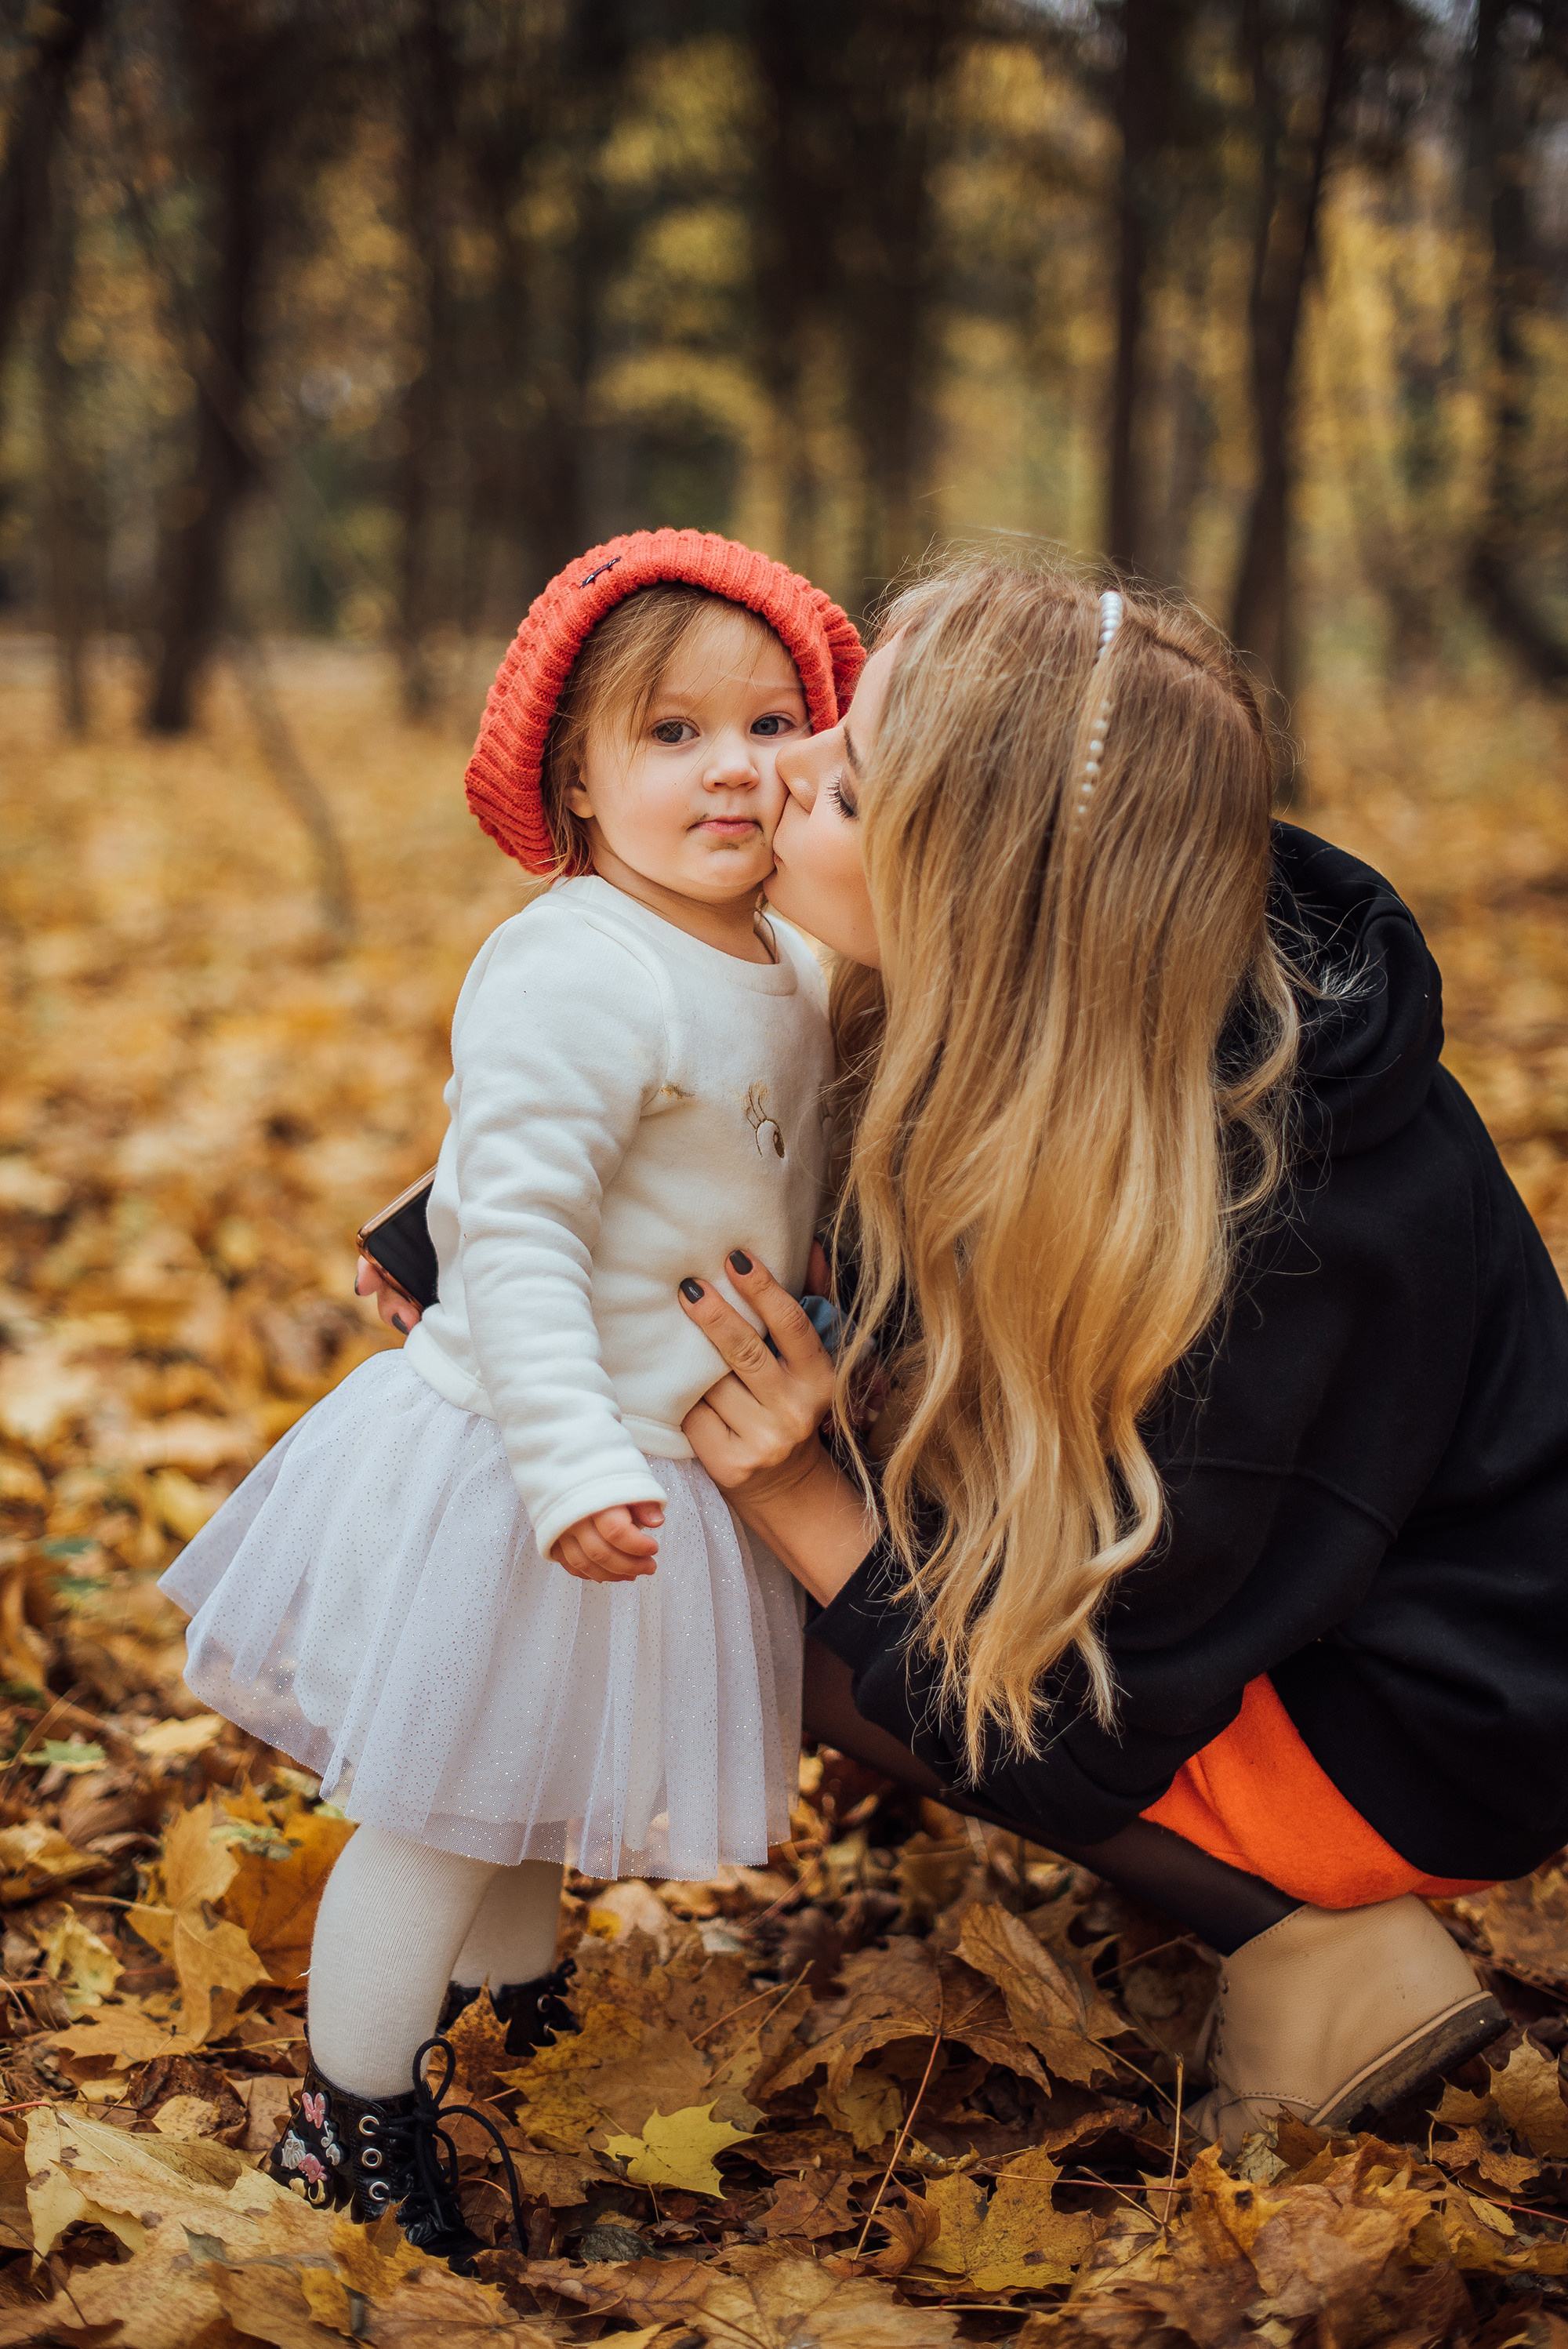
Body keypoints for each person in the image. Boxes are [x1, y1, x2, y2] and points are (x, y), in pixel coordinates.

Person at [657, 557, 1568, 2155]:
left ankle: (1313, 1942)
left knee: (745, 1581)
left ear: (980, 904)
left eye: (847, 785)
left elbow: (1075, 1722)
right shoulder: (1116, 997)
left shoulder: (1271, 1238)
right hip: (1281, 1608)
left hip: (1426, 1727)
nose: (781, 765)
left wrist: (811, 1506)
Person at [159, 528, 862, 2264]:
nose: (733, 768)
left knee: (526, 1780)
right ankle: (353, 2110)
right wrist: (557, 1465)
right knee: (438, 1806)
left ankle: (518, 2002)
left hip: (653, 1449)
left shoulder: (794, 962)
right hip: (525, 1453)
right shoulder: (578, 962)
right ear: (574, 776)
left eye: (772, 722)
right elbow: (525, 1228)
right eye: (671, 733)